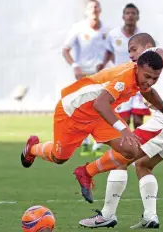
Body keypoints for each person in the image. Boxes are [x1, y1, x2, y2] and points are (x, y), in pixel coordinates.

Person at [75, 33, 163, 229]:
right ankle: (150, 216)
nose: (130, 54)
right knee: (142, 165)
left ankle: (106, 213)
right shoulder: (149, 73)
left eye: (133, 49)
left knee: (124, 155)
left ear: (147, 46)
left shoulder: (152, 57)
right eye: (129, 50)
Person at [21, 50, 163, 190]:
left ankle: (85, 172)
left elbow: (148, 92)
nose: (150, 82)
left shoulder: (139, 76)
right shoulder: (124, 79)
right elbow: (100, 103)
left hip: (100, 115)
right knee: (59, 158)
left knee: (131, 150)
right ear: (137, 68)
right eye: (147, 76)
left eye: (155, 78)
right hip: (72, 112)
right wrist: (123, 130)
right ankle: (33, 148)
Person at [62, 0, 108, 156]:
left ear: (100, 10)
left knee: (100, 107)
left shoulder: (106, 30)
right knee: (84, 108)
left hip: (100, 74)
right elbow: (65, 50)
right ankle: (85, 142)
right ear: (86, 11)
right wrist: (75, 65)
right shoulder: (78, 28)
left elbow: (110, 50)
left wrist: (105, 63)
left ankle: (97, 144)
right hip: (83, 73)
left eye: (96, 7)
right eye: (91, 7)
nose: (94, 9)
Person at [98, 3, 150, 129]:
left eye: (133, 13)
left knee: (138, 120)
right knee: (123, 119)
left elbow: (151, 54)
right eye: (127, 13)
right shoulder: (113, 35)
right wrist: (102, 64)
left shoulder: (143, 36)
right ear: (123, 16)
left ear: (138, 17)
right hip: (121, 82)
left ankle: (138, 147)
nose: (130, 16)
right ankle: (125, 147)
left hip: (138, 81)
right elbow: (109, 51)